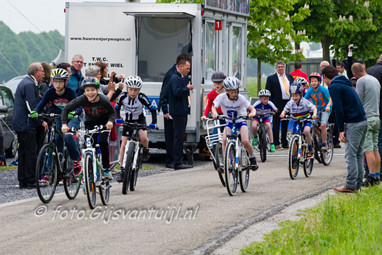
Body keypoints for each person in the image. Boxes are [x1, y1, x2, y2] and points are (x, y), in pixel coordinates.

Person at [30, 68, 82, 182]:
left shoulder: (70, 92)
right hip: (58, 118)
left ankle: (76, 160)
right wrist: (35, 111)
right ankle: (49, 173)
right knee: (54, 142)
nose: (57, 84)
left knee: (68, 136)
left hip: (71, 118)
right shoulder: (50, 92)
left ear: (65, 82)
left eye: (60, 81)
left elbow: (79, 106)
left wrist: (74, 112)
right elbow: (41, 104)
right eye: (55, 81)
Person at [323, 65, 367, 193]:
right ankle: (357, 183)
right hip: (362, 120)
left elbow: (338, 109)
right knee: (358, 154)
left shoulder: (334, 87)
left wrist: (341, 129)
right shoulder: (345, 83)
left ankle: (351, 185)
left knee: (350, 155)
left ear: (325, 77)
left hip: (353, 122)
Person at [61, 77, 116, 180]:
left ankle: (106, 169)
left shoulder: (103, 100)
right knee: (89, 145)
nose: (90, 93)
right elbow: (66, 109)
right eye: (87, 90)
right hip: (90, 123)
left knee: (103, 142)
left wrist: (110, 122)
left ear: (97, 90)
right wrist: (64, 124)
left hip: (104, 123)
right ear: (84, 91)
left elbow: (113, 112)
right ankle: (89, 171)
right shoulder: (82, 99)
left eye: (93, 90)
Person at [12, 63, 48, 189]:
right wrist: (40, 122)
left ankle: (23, 181)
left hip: (20, 123)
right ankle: (31, 181)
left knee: (23, 153)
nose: (44, 73)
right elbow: (31, 107)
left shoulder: (25, 82)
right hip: (27, 125)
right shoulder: (29, 84)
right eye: (42, 71)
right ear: (35, 72)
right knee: (31, 153)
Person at [115, 75, 157, 182]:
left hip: (140, 120)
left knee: (143, 138)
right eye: (131, 89)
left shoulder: (142, 97)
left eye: (136, 90)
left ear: (139, 90)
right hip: (128, 121)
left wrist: (153, 123)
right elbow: (117, 108)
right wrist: (117, 118)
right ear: (127, 88)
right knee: (124, 144)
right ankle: (122, 169)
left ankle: (146, 149)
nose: (133, 92)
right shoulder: (122, 97)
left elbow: (152, 110)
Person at [212, 76, 259, 170]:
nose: (234, 94)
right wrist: (215, 113)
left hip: (241, 121)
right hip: (229, 121)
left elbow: (251, 108)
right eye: (232, 92)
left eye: (236, 91)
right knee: (224, 140)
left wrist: (253, 113)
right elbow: (214, 107)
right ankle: (226, 163)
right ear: (226, 91)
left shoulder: (241, 98)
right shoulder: (221, 97)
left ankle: (252, 157)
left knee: (245, 140)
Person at [158, 54, 192, 169]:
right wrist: (164, 109)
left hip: (176, 109)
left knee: (175, 135)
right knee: (172, 135)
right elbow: (165, 93)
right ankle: (171, 159)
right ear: (180, 66)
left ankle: (174, 159)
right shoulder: (171, 75)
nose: (189, 70)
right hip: (171, 109)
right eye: (187, 68)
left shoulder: (178, 75)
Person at [352, 63, 381, 186]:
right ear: (363, 68)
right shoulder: (375, 80)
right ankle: (377, 174)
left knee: (368, 149)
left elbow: (358, 101)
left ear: (354, 74)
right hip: (376, 116)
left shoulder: (361, 81)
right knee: (375, 148)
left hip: (367, 117)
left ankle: (371, 177)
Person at [280, 81, 317, 156]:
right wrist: (282, 114)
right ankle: (293, 157)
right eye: (293, 96)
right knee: (295, 136)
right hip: (296, 121)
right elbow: (285, 109)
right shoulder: (290, 102)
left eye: (296, 95)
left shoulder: (305, 102)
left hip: (306, 120)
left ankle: (310, 147)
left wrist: (314, 114)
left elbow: (314, 108)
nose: (294, 98)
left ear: (300, 95)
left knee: (306, 132)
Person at [265, 60, 294, 149]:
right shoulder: (271, 78)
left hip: (287, 102)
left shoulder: (289, 77)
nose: (280, 68)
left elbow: (293, 88)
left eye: (282, 67)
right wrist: (270, 105)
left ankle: (284, 142)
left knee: (286, 121)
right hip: (276, 103)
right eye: (279, 67)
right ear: (276, 68)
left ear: (284, 68)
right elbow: (268, 91)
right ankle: (276, 142)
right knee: (276, 122)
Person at [304, 72, 332, 151]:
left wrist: (328, 106)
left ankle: (324, 143)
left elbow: (330, 98)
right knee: (312, 125)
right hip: (316, 110)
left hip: (325, 109)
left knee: (323, 125)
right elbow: (305, 100)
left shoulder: (323, 89)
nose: (313, 83)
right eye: (312, 81)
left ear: (319, 82)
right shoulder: (310, 90)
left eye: (315, 81)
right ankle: (321, 135)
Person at [366, 54, 382, 175]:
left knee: (373, 144)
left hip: (374, 111)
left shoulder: (370, 72)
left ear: (378, 60)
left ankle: (373, 172)